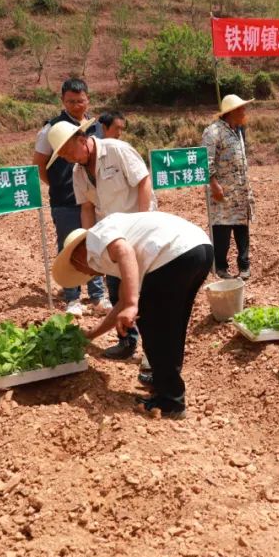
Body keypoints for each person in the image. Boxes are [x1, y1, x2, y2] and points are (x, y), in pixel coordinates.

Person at [51, 212, 213, 419]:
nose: (88, 274)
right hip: (198, 249)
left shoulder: (96, 237)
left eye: (79, 269)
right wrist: (92, 334)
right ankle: (165, 386)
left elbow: (124, 251)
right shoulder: (117, 247)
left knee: (154, 326)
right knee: (171, 326)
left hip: (173, 254)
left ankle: (170, 402)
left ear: (77, 256)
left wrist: (132, 304)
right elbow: (121, 303)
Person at [48, 118, 155, 361]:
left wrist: (144, 220)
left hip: (139, 231)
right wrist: (90, 242)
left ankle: (153, 353)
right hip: (112, 238)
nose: (68, 158)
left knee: (145, 292)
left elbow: (143, 182)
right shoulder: (78, 172)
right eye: (63, 156)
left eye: (69, 152)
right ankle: (127, 341)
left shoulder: (116, 150)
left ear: (81, 139)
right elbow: (87, 208)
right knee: (116, 292)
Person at [32, 78, 105, 316]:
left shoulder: (96, 127)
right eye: (70, 101)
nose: (75, 106)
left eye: (80, 101)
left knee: (95, 243)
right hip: (65, 200)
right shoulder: (51, 129)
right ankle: (72, 297)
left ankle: (98, 295)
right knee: (69, 246)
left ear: (88, 100)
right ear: (62, 101)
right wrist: (58, 185)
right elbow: (39, 164)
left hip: (95, 199)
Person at [202, 94, 254, 279]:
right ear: (231, 111)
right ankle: (220, 267)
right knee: (222, 228)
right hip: (223, 191)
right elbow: (206, 161)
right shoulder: (213, 132)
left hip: (240, 191)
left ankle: (244, 265)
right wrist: (214, 184)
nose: (244, 111)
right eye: (241, 108)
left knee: (242, 228)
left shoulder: (239, 130)